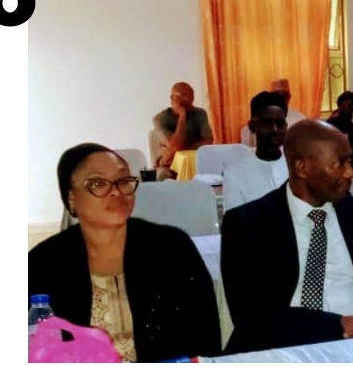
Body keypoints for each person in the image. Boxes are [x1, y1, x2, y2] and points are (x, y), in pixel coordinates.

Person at [29, 143, 220, 362]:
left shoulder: (171, 248)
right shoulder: (43, 263)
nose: (116, 191)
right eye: (98, 183)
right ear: (71, 197)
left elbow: (206, 338)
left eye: (123, 180)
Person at [220, 120, 353, 354]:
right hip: (282, 349)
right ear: (302, 167)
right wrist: (338, 325)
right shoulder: (249, 224)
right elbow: (251, 317)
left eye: (350, 162)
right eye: (340, 163)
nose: (351, 173)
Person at [223, 91, 290, 211]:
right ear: (252, 126)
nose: (275, 129)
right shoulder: (235, 174)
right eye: (267, 123)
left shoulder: (298, 167)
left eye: (280, 123)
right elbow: (234, 220)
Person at [152, 82, 214, 180]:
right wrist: (182, 116)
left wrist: (178, 151)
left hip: (194, 159)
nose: (187, 99)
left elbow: (208, 141)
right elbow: (175, 145)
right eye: (182, 95)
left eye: (190, 95)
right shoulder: (160, 119)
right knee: (163, 176)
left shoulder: (200, 113)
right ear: (172, 98)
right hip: (171, 164)